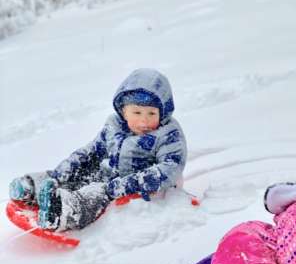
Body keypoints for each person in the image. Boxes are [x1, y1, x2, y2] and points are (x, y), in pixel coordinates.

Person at [9, 68, 187, 231]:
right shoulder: (114, 126)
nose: (144, 121)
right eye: (137, 113)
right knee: (78, 173)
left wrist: (124, 185)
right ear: (124, 112)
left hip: (128, 186)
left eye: (152, 114)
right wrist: (62, 171)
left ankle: (61, 213)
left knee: (94, 195)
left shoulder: (167, 134)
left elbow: (170, 168)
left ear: (163, 113)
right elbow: (92, 150)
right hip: (106, 173)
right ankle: (33, 188)